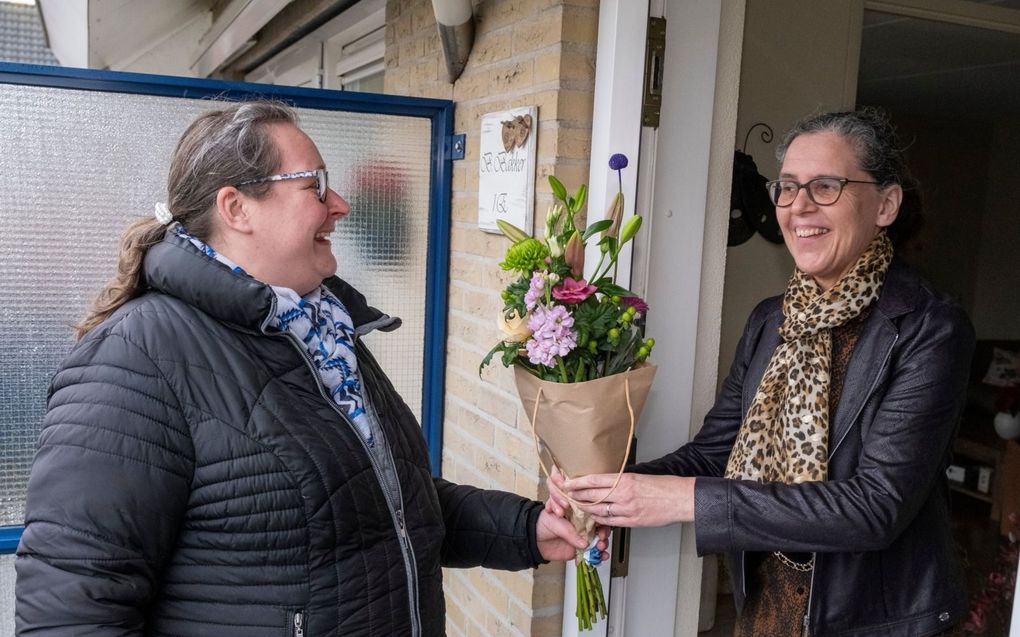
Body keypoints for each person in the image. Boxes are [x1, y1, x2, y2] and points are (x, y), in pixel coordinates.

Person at [15, 101, 603, 637]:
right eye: (316, 186)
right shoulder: (135, 360)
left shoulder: (321, 328)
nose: (340, 204)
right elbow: (74, 611)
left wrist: (526, 529)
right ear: (236, 207)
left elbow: (385, 505)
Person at [555, 108, 975, 636]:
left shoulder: (929, 327)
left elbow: (876, 506)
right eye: (788, 187)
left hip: (875, 622)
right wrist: (610, 490)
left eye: (825, 186)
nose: (799, 206)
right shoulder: (771, 320)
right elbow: (714, 453)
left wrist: (679, 502)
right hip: (768, 615)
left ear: (886, 204)